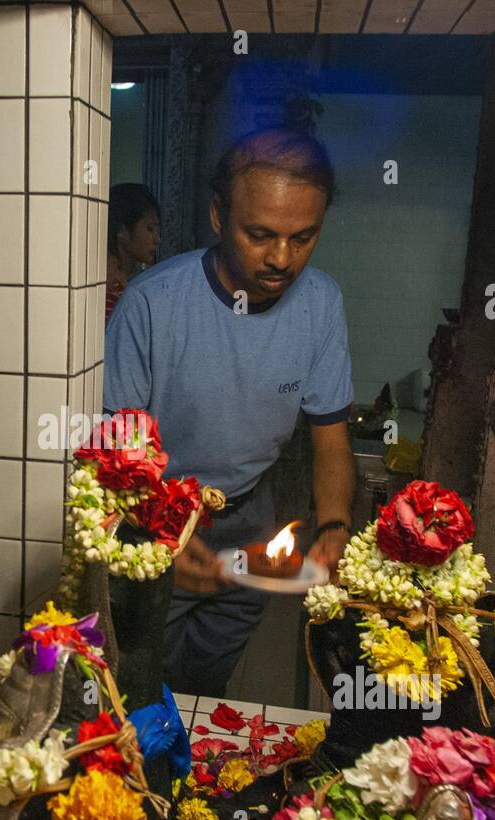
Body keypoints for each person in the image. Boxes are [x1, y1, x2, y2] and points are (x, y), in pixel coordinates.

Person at [104, 128, 356, 697]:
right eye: (260, 234)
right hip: (154, 523)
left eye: (304, 237)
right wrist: (159, 528)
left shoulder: (321, 304)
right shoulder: (152, 303)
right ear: (219, 217)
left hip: (250, 520)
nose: (281, 258)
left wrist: (336, 525)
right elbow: (112, 451)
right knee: (137, 686)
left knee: (206, 682)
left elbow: (331, 440)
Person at [106, 183, 160, 324]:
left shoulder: (124, 283)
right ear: (122, 232)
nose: (157, 239)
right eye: (150, 228)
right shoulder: (110, 290)